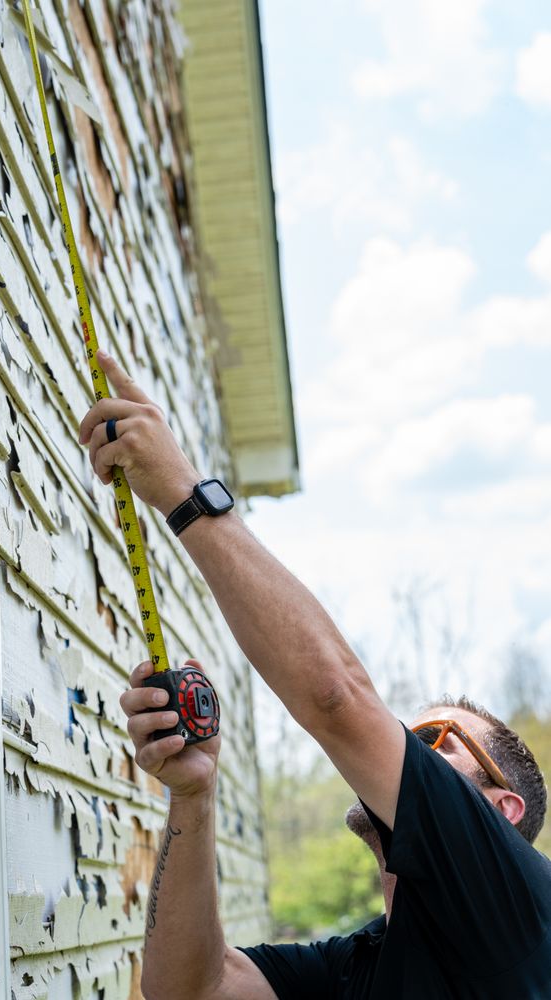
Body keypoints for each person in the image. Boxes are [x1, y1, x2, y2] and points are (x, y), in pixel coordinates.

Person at [79, 353, 551, 999]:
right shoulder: (362, 963)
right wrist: (193, 797)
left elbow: (337, 698)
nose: (406, 747)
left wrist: (182, 491)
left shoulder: (519, 910)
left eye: (437, 739)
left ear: (501, 811)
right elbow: (192, 989)